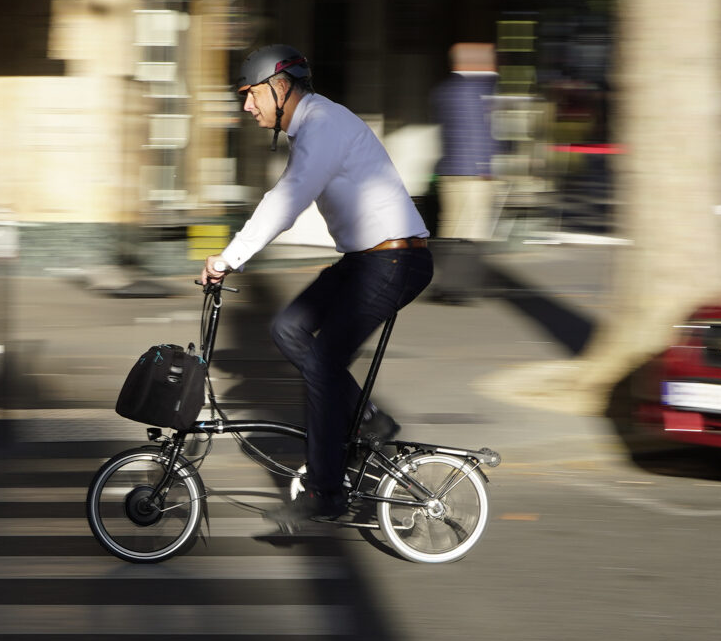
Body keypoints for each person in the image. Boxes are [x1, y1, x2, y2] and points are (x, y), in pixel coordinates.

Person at [201, 44, 433, 524]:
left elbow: (287, 199)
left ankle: (325, 493)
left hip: (394, 261)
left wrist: (229, 258)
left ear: (279, 88)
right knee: (288, 328)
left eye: (251, 94)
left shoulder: (323, 124)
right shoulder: (313, 127)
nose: (246, 106)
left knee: (324, 365)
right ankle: (368, 418)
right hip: (365, 260)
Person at [429, 42, 499, 303]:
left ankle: (448, 283)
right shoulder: (476, 91)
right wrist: (484, 168)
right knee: (472, 230)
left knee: (452, 228)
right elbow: (478, 134)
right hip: (473, 173)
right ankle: (457, 287)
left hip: (451, 170)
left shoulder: (445, 90)